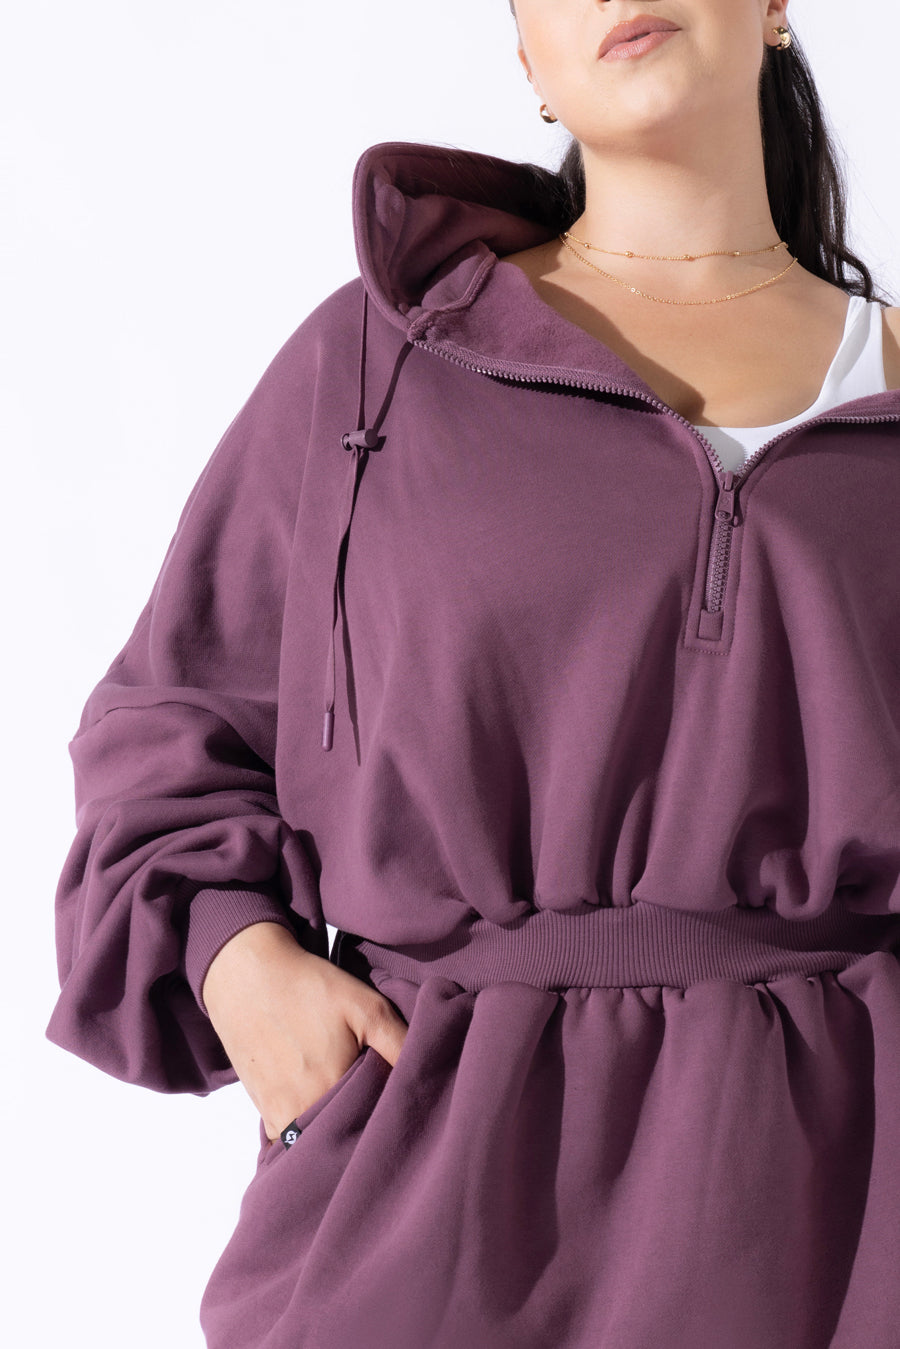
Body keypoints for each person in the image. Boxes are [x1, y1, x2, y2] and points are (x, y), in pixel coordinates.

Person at [46, 1, 900, 1345]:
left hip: (839, 1227)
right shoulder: (376, 368)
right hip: (430, 1200)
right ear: (526, 62)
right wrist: (236, 957)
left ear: (779, 5)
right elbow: (169, 718)